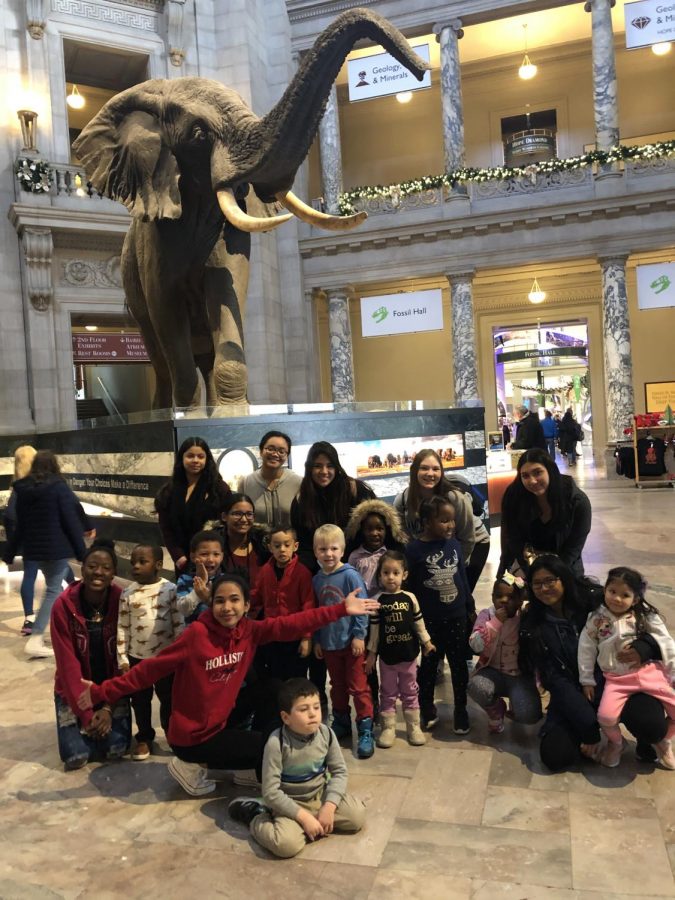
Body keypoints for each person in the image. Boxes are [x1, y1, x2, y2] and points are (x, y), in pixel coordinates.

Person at [77, 573, 379, 797]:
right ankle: (190, 764)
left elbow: (291, 624)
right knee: (269, 747)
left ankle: (245, 764)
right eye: (219, 600)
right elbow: (148, 671)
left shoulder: (249, 630)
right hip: (192, 736)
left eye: (235, 600)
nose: (227, 607)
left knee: (273, 690)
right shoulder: (196, 635)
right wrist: (101, 693)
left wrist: (340, 610)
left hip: (220, 721)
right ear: (211, 604)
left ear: (247, 605)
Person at [520, 555, 669, 771]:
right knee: (555, 757)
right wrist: (587, 725)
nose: (544, 588)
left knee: (651, 726)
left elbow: (646, 621)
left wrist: (645, 647)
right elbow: (551, 676)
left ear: (564, 578)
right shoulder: (534, 624)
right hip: (571, 691)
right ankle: (598, 735)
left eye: (550, 580)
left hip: (616, 681)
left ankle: (645, 741)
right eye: (537, 584)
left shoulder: (594, 600)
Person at [228, 678, 366, 858]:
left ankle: (314, 821)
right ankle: (256, 814)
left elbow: (339, 772)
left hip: (318, 794)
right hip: (289, 802)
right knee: (286, 845)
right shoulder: (276, 743)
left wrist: (329, 806)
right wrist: (303, 817)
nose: (313, 714)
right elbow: (271, 791)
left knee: (356, 817)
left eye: (316, 707)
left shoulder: (326, 733)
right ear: (286, 718)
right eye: (303, 709)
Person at [578, 566, 675, 769]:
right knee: (605, 716)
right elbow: (586, 648)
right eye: (612, 591)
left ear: (636, 599)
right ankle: (616, 743)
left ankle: (664, 741)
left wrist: (673, 673)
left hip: (650, 674)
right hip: (617, 680)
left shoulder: (645, 616)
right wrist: (586, 679)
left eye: (625, 595)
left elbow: (666, 642)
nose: (617, 599)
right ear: (605, 590)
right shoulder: (596, 618)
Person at [51, 540, 131, 770]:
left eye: (106, 568)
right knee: (75, 757)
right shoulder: (62, 606)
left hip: (110, 686)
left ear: (114, 573)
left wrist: (107, 707)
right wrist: (86, 716)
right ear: (81, 568)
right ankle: (83, 723)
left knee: (116, 749)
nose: (98, 572)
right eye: (92, 566)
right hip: (73, 688)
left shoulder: (123, 601)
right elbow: (67, 666)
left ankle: (102, 723)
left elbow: (122, 658)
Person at [4, 449, 86, 659]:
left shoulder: (23, 490)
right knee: (53, 591)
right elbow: (70, 520)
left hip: (34, 550)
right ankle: (37, 635)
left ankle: (64, 627)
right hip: (56, 549)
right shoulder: (59, 487)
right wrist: (81, 552)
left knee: (56, 588)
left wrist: (10, 552)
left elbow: (19, 525)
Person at [405, 496, 475, 734]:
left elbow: (462, 576)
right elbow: (411, 587)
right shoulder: (413, 550)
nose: (450, 526)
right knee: (429, 665)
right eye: (444, 520)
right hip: (429, 621)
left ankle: (461, 710)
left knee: (458, 665)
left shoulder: (454, 544)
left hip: (456, 617)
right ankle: (426, 707)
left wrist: (469, 605)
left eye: (452, 520)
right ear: (426, 521)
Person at [312, 524, 374, 758]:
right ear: (316, 551)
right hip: (329, 644)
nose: (328, 553)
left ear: (343, 550)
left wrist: (359, 635)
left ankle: (366, 729)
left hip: (351, 644)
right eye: (323, 549)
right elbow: (317, 612)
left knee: (358, 687)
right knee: (336, 686)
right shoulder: (317, 579)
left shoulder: (350, 575)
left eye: (333, 548)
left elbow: (363, 605)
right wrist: (318, 638)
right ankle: (341, 722)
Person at [117, 544, 184, 760]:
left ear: (158, 565)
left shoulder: (171, 590)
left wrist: (180, 655)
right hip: (138, 660)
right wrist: (123, 659)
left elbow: (178, 624)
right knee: (140, 701)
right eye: (133, 562)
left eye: (142, 562)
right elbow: (122, 626)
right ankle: (144, 737)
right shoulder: (127, 592)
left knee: (170, 700)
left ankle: (172, 735)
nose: (135, 566)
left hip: (166, 660)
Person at [365, 550, 435, 748]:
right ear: (380, 575)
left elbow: (418, 623)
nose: (390, 577)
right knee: (387, 691)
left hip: (409, 656)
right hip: (387, 658)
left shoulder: (410, 598)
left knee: (410, 690)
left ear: (404, 575)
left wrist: (427, 642)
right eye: (386, 572)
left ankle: (413, 726)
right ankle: (388, 727)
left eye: (395, 573)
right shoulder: (378, 601)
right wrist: (371, 654)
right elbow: (375, 631)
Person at [498, 448, 592, 577]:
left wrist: (552, 576)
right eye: (525, 476)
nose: (532, 481)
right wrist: (531, 573)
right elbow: (513, 539)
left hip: (565, 571)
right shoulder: (514, 496)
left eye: (537, 473)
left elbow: (573, 548)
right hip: (528, 569)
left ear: (550, 471)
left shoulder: (577, 501)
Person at [468, 574, 541, 733]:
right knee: (476, 687)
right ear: (492, 597)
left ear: (520, 600)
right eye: (499, 596)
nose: (504, 600)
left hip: (519, 676)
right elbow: (475, 645)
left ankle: (516, 703)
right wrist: (494, 624)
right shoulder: (486, 615)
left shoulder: (523, 617)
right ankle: (496, 710)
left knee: (530, 714)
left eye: (511, 597)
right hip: (491, 672)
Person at [290, 441, 375, 573]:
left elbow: (377, 526)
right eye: (318, 466)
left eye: (329, 466)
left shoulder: (354, 490)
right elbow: (303, 544)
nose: (324, 472)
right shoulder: (302, 500)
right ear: (310, 468)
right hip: (321, 572)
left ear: (336, 467)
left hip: (358, 567)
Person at [155, 437, 231, 575]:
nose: (195, 460)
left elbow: (226, 525)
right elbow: (166, 528)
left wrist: (215, 556)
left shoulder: (219, 489)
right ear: (181, 458)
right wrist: (179, 557)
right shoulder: (169, 491)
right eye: (190, 456)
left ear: (207, 459)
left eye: (200, 456)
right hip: (183, 560)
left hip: (214, 561)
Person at [250, 526, 315, 681]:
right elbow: (257, 596)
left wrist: (306, 638)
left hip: (294, 637)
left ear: (295, 546)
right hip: (271, 635)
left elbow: (308, 605)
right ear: (270, 547)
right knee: (274, 678)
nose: (282, 550)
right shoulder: (265, 571)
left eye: (287, 545)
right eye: (277, 546)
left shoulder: (302, 572)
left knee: (296, 679)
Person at [393, 448, 475, 563]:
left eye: (436, 469)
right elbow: (405, 540)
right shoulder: (401, 501)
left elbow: (468, 538)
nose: (430, 473)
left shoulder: (455, 498)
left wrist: (453, 566)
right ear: (414, 470)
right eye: (424, 468)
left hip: (470, 548)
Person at [4, 445, 37, 635]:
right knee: (60, 568)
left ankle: (29, 618)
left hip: (27, 537)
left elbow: (10, 516)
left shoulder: (17, 484)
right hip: (39, 536)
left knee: (31, 573)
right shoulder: (33, 483)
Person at [344, 498, 408, 596]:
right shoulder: (355, 556)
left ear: (387, 530)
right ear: (361, 531)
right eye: (369, 529)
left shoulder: (390, 556)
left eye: (379, 528)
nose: (374, 533)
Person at [239, 431, 302, 529]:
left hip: (288, 542)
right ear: (261, 451)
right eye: (270, 449)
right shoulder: (246, 483)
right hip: (256, 542)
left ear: (287, 456)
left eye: (281, 451)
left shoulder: (298, 482)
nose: (275, 454)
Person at [218, 492, 268, 587]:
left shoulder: (264, 545)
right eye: (237, 514)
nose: (244, 519)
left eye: (249, 514)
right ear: (224, 516)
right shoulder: (213, 546)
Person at [176, 529, 225, 624]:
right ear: (193, 557)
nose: (210, 559)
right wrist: (199, 588)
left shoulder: (225, 581)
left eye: (216, 554)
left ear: (222, 556)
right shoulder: (185, 579)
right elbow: (183, 610)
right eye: (204, 554)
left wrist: (208, 600)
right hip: (193, 635)